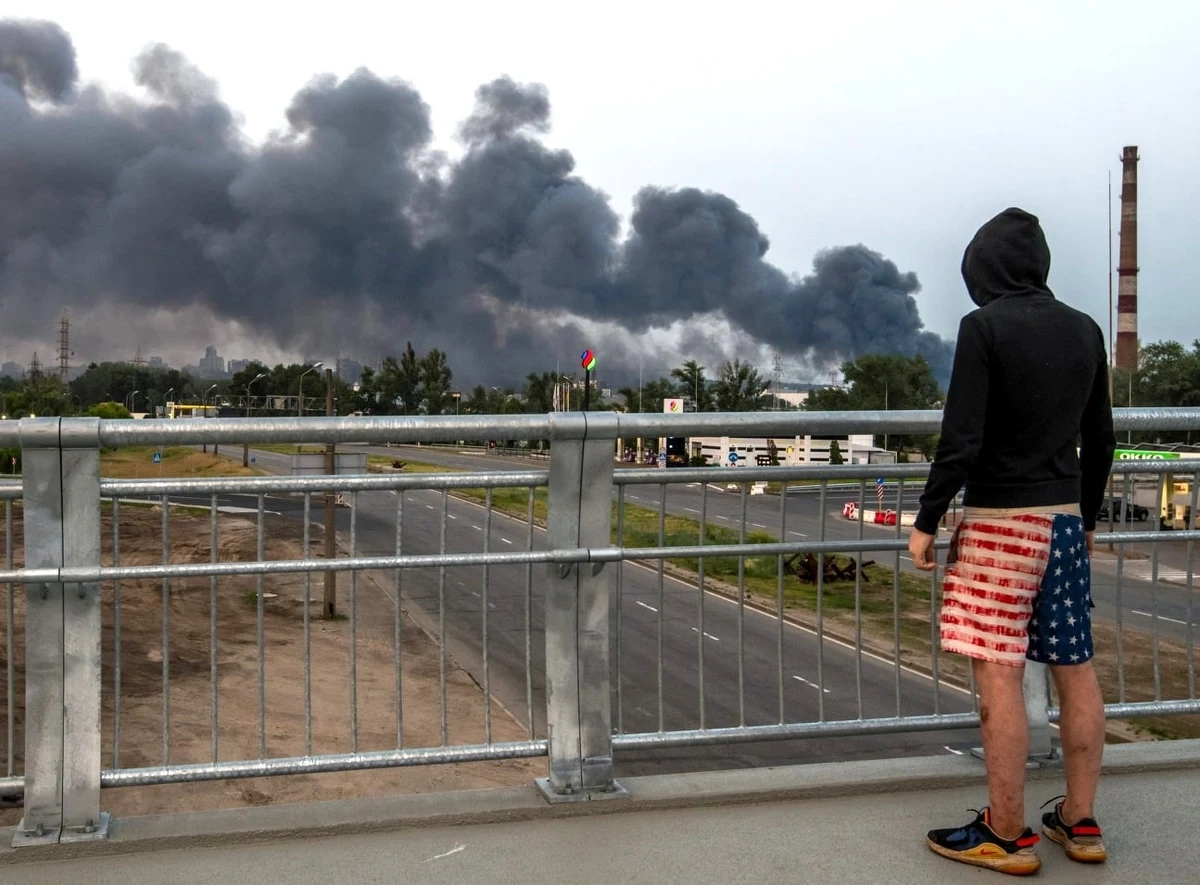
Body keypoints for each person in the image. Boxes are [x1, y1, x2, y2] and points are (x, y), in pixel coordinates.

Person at [908, 208, 1116, 876]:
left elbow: (961, 437)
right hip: (1062, 524)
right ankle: (1080, 822)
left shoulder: (984, 327)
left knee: (998, 676)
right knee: (1074, 669)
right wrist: (1083, 517)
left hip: (1000, 526)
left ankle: (1006, 831)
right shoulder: (1084, 328)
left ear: (985, 270)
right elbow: (1102, 440)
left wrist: (927, 518)